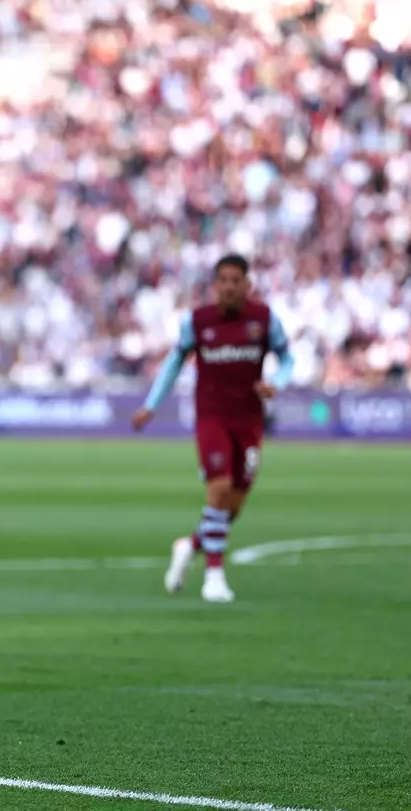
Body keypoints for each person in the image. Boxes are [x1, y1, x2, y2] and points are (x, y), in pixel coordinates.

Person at [133, 254, 295, 603]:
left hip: (250, 421)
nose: (229, 286)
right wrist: (151, 405)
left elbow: (287, 358)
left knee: (232, 507)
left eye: (236, 280)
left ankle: (189, 544)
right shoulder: (198, 322)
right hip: (211, 418)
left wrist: (277, 382)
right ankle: (214, 577)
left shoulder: (264, 320)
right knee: (218, 489)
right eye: (223, 280)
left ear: (247, 285)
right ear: (214, 285)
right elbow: (174, 361)